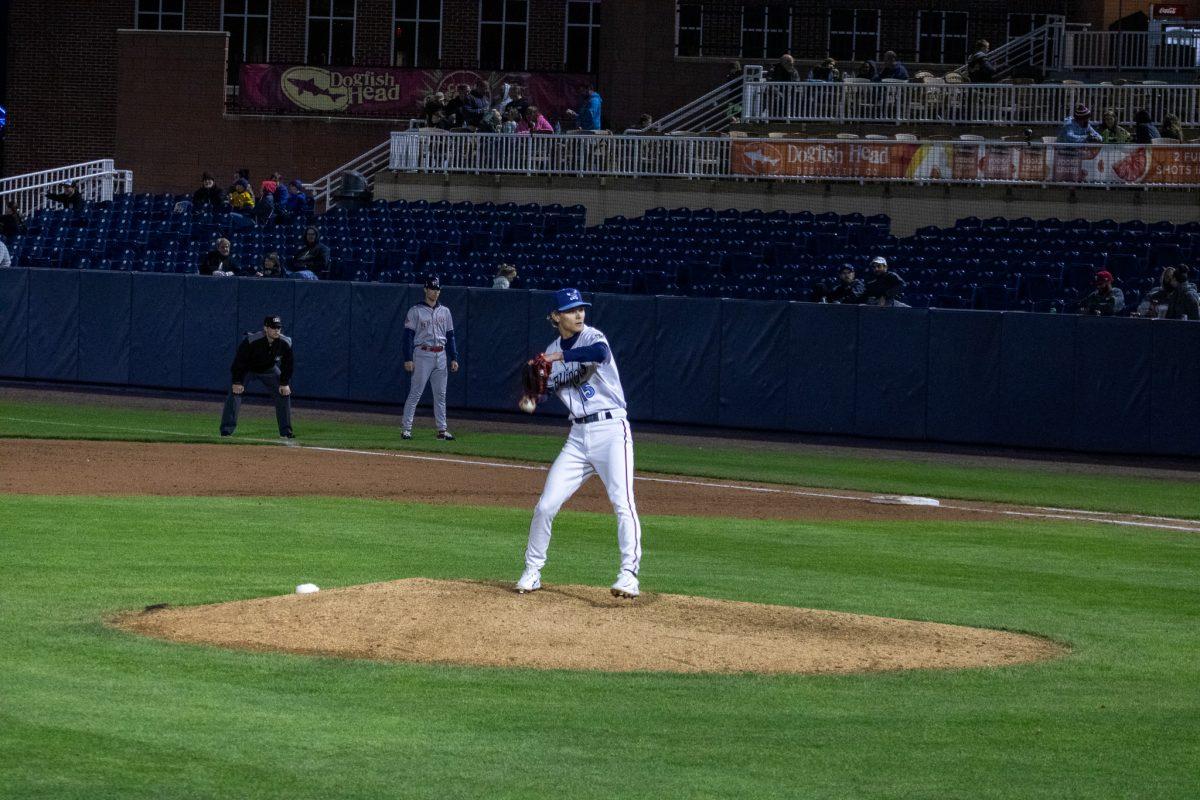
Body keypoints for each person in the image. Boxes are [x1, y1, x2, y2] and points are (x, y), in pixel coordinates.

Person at [515, 288, 642, 599]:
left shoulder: (592, 337)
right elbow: (546, 389)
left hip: (612, 430)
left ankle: (629, 575)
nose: (579, 314)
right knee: (545, 506)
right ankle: (532, 572)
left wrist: (559, 357)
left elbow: (599, 355)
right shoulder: (550, 351)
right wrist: (532, 395)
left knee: (623, 503)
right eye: (571, 310)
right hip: (577, 438)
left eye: (581, 308)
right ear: (557, 316)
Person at [401, 275, 459, 441]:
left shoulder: (445, 311)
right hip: (422, 354)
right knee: (415, 393)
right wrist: (408, 358)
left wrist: (454, 357)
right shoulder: (415, 310)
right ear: (425, 289)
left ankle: (442, 430)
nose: (435, 292)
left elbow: (451, 335)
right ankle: (406, 429)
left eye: (437, 289)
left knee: (440, 395)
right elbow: (407, 336)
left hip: (441, 354)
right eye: (432, 289)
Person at [220, 315, 294, 440]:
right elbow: (239, 362)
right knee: (235, 393)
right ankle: (226, 431)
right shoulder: (252, 341)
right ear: (265, 328)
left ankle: (286, 432)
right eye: (273, 327)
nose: (277, 330)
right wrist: (237, 381)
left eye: (279, 328)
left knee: (284, 393)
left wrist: (284, 383)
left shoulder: (285, 342)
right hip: (247, 369)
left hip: (269, 369)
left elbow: (288, 364)